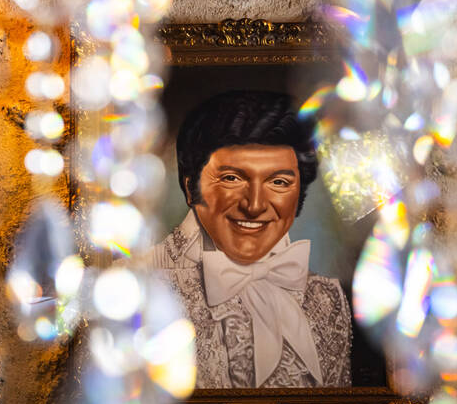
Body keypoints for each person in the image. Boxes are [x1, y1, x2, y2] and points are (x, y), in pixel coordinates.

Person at [143, 89, 352, 388]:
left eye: (278, 182)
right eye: (232, 178)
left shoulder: (326, 299)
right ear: (190, 188)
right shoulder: (150, 296)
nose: (254, 205)